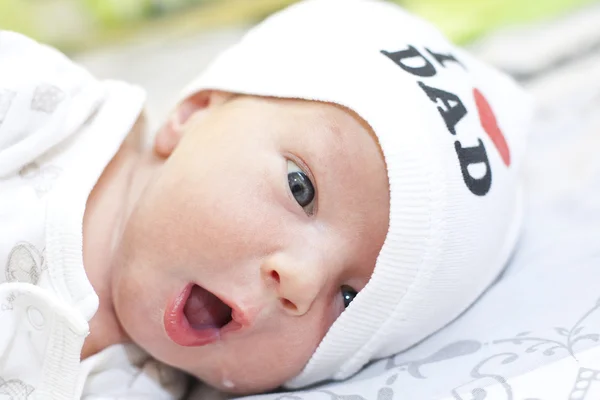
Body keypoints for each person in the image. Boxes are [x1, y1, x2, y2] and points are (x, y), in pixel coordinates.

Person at [0, 0, 532, 397]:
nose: (301, 281)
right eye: (301, 188)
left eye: (350, 302)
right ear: (195, 114)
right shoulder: (42, 113)